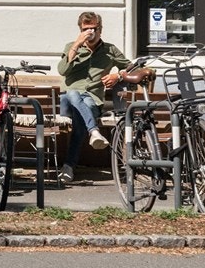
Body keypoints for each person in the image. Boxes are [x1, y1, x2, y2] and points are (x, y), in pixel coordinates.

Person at [55, 11, 150, 183]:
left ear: (101, 30)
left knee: (81, 117)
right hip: (67, 101)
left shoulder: (110, 50)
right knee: (74, 93)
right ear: (80, 30)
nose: (91, 32)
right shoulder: (72, 46)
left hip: (93, 99)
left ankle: (69, 166)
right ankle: (94, 131)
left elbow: (133, 67)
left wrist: (118, 76)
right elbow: (62, 70)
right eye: (86, 29)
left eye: (94, 28)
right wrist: (77, 44)